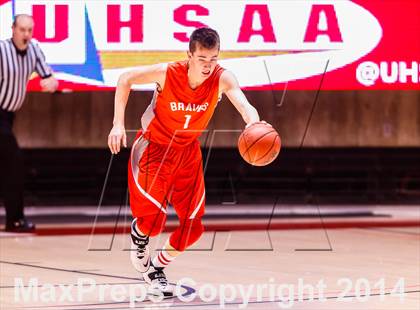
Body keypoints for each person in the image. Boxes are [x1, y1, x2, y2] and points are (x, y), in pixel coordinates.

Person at [108, 27, 262, 296]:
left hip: (187, 153)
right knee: (152, 222)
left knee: (194, 228)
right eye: (202, 59)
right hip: (154, 149)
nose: (208, 65)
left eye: (213, 59)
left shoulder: (222, 78)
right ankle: (139, 233)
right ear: (189, 54)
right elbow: (125, 79)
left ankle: (156, 268)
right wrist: (117, 125)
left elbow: (245, 106)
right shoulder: (168, 73)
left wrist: (255, 124)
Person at [0, 15, 58, 232]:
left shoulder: (34, 50)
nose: (26, 35)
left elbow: (48, 75)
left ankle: (14, 220)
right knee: (13, 164)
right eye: (22, 29)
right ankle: (14, 220)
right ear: (12, 29)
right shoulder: (1, 49)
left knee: (9, 167)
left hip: (8, 117)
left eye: (29, 30)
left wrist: (51, 82)